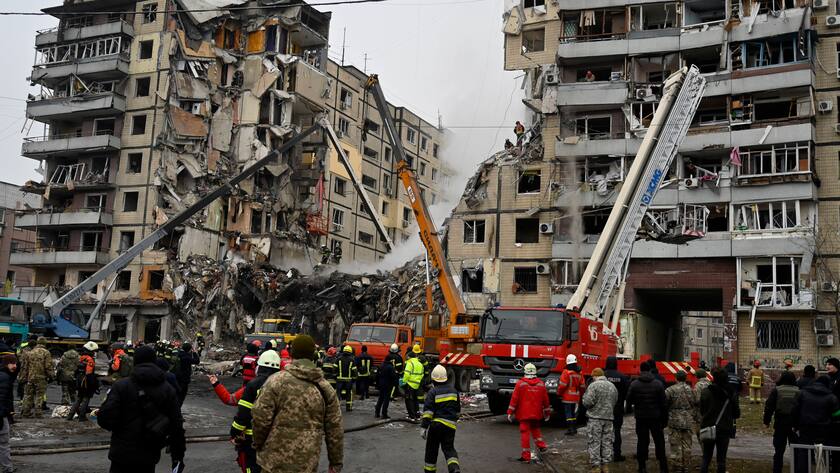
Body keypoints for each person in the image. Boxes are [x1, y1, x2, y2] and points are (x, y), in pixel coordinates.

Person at [252, 335, 343, 473]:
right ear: (313, 355)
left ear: (291, 353)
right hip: (306, 464)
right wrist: (335, 462)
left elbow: (261, 417)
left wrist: (258, 444)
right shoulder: (325, 389)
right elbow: (335, 429)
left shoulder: (276, 381)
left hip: (273, 463)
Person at [98, 345, 185, 473]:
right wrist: (177, 457)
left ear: (135, 361)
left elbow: (104, 420)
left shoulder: (121, 386)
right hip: (149, 455)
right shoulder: (167, 389)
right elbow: (177, 426)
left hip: (122, 455)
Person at [230, 350, 281, 473]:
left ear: (260, 366)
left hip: (253, 438)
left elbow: (243, 413)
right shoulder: (283, 385)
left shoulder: (253, 385)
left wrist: (234, 432)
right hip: (277, 437)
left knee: (253, 467)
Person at [626, 360, 667, 473]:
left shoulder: (634, 384)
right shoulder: (657, 384)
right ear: (650, 370)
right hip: (655, 417)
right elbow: (663, 403)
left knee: (642, 442)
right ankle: (663, 467)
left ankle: (642, 467)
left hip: (641, 417)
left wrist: (632, 410)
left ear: (640, 370)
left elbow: (629, 400)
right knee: (659, 442)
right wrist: (664, 419)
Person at [507, 362, 551, 464]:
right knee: (535, 429)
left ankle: (526, 456)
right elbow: (546, 401)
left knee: (525, 433)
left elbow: (514, 400)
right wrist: (547, 413)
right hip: (536, 414)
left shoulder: (520, 384)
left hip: (524, 414)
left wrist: (510, 412)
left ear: (525, 372)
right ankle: (541, 446)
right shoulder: (541, 384)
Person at [698, 367, 740, 473]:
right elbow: (737, 413)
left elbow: (702, 410)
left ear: (713, 377)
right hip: (724, 428)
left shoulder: (706, 392)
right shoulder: (731, 393)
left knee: (706, 457)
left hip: (708, 427)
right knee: (721, 460)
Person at [421, 365, 460, 473]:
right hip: (450, 426)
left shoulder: (433, 392)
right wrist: (453, 421)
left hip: (436, 426)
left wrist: (424, 427)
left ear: (433, 379)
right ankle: (454, 468)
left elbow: (428, 412)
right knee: (449, 449)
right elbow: (457, 410)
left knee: (431, 451)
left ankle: (430, 471)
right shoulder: (454, 391)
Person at [796, 374, 839, 473]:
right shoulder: (832, 397)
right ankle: (824, 469)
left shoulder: (802, 393)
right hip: (824, 430)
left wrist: (796, 424)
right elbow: (837, 415)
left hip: (805, 427)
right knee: (824, 452)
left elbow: (795, 410)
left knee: (803, 451)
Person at [763, 371, 800, 473]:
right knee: (796, 450)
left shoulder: (777, 390)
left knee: (779, 450)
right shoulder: (798, 391)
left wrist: (766, 421)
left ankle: (777, 469)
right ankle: (796, 469)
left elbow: (769, 407)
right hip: (794, 424)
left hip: (780, 423)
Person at [582, 367, 618, 473]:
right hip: (609, 418)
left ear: (595, 376)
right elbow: (615, 401)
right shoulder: (612, 386)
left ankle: (596, 467)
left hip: (595, 418)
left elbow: (587, 402)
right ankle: (606, 466)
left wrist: (584, 397)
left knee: (594, 442)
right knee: (607, 442)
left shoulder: (593, 386)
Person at [665, 370, 696, 473]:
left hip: (674, 420)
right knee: (687, 444)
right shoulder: (691, 390)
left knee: (675, 444)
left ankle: (676, 466)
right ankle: (686, 465)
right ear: (686, 378)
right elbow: (694, 403)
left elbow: (665, 403)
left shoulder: (670, 390)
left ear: (676, 378)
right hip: (688, 419)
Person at [604, 356, 629, 462]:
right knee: (617, 431)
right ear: (616, 364)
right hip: (617, 408)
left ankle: (604, 454)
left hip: (603, 410)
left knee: (603, 432)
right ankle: (617, 454)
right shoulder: (622, 377)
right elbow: (626, 393)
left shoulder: (602, 376)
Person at [19, 337, 52, 418]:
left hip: (30, 377)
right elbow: (48, 366)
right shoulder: (46, 353)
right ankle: (38, 413)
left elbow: (25, 367)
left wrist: (23, 377)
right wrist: (51, 376)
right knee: (39, 396)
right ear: (45, 343)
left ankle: (26, 413)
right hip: (41, 378)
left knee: (28, 395)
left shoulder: (30, 352)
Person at [67, 341, 98, 421]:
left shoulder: (81, 358)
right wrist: (93, 384)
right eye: (94, 351)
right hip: (86, 381)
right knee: (86, 399)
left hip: (79, 380)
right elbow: (89, 373)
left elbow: (76, 370)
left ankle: (70, 416)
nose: (94, 353)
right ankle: (82, 416)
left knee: (78, 398)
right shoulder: (90, 360)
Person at [557, 354, 585, 435]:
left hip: (567, 396)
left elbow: (562, 385)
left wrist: (559, 393)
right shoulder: (579, 373)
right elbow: (582, 386)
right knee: (573, 413)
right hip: (576, 396)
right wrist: (581, 394)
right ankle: (574, 428)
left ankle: (570, 429)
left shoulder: (566, 372)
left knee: (568, 412)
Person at [0, 353, 16, 473]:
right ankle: (7, 468)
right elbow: (2, 398)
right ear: (6, 364)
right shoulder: (5, 377)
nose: (14, 366)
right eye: (12, 363)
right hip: (1, 415)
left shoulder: (4, 375)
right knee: (4, 443)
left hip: (3, 413)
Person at [403, 346, 425, 421]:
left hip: (409, 384)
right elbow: (422, 374)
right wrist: (417, 381)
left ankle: (411, 416)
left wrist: (404, 382)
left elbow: (406, 374)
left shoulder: (410, 363)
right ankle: (417, 415)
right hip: (417, 384)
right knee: (415, 400)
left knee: (409, 400)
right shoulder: (420, 364)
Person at [376, 354, 398, 419]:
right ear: (391, 360)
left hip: (381, 385)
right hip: (388, 385)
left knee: (380, 399)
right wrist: (395, 384)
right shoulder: (391, 367)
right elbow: (393, 377)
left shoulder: (381, 365)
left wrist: (377, 384)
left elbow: (377, 376)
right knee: (386, 400)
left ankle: (377, 412)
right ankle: (384, 414)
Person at [336, 345, 357, 411]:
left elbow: (334, 369)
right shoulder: (352, 360)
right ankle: (348, 407)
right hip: (348, 380)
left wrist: (336, 375)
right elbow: (354, 371)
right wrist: (354, 378)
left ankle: (337, 407)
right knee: (348, 393)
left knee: (338, 393)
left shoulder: (338, 359)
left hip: (339, 380)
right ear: (350, 352)